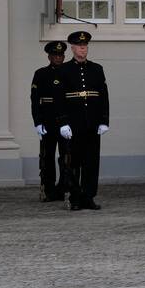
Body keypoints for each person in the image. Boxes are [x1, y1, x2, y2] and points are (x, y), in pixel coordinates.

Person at [57, 31, 109, 210]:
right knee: (74, 162)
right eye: (80, 46)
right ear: (72, 48)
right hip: (73, 124)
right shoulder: (64, 70)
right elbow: (59, 99)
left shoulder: (96, 69)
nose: (83, 49)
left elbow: (103, 96)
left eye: (85, 46)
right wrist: (63, 122)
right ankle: (75, 197)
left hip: (92, 123)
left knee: (91, 162)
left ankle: (89, 196)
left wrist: (104, 120)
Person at [31, 41, 69, 203]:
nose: (58, 58)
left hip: (66, 121)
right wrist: (37, 122)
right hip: (47, 120)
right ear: (49, 56)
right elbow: (35, 100)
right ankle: (48, 189)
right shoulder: (41, 74)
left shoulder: (69, 72)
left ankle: (64, 187)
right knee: (47, 157)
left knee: (66, 156)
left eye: (60, 55)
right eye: (55, 55)